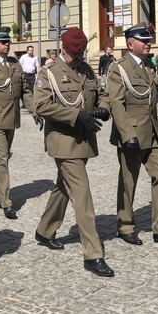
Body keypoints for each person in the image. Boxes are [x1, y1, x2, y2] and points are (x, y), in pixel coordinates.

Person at [33, 28, 114, 277]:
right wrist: (76, 115)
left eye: (81, 55)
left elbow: (102, 94)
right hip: (63, 142)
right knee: (82, 194)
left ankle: (45, 230)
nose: (78, 59)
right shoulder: (48, 73)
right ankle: (92, 254)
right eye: (74, 55)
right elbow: (42, 105)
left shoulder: (86, 70)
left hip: (83, 141)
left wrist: (102, 109)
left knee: (63, 187)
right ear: (63, 49)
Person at [107, 24, 158, 247]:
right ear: (130, 44)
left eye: (149, 39)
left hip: (152, 132)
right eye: (143, 40)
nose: (148, 43)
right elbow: (116, 103)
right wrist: (127, 134)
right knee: (128, 181)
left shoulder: (148, 66)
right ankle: (125, 225)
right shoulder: (118, 68)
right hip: (131, 134)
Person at [0, 28, 42, 220]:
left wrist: (34, 111)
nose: (6, 45)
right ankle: (6, 201)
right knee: (1, 158)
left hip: (11, 119)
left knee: (0, 158)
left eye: (7, 42)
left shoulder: (15, 65)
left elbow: (25, 91)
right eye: (2, 42)